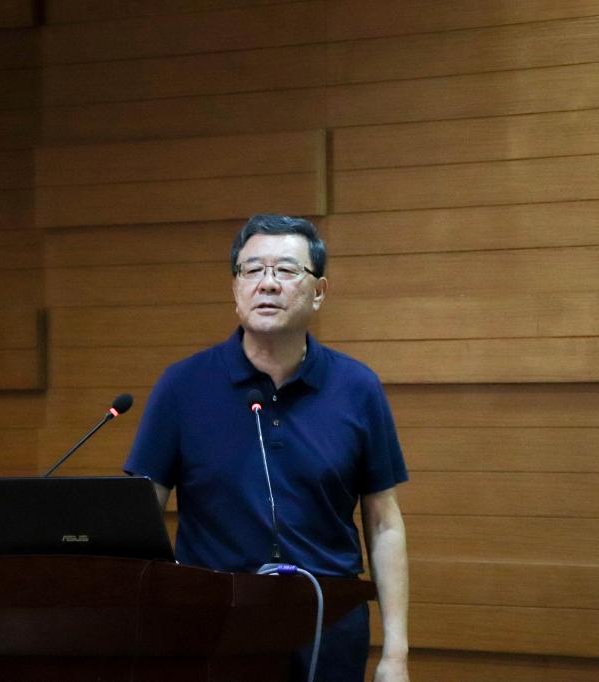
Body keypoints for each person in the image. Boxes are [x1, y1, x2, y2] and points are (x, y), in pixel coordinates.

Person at [124, 214, 410, 682]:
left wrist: (395, 654)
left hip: (327, 625)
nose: (268, 283)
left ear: (319, 292)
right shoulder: (182, 385)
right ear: (235, 288)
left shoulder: (357, 387)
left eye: (287, 270)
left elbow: (384, 523)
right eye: (253, 270)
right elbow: (141, 517)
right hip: (211, 628)